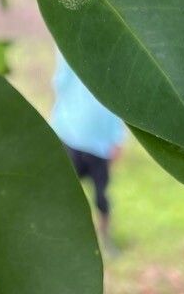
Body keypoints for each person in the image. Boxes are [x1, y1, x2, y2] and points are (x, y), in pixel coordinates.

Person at [50, 51, 127, 246]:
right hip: (70, 137)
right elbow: (59, 83)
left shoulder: (114, 67)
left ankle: (105, 237)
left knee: (101, 196)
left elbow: (120, 103)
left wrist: (117, 139)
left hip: (100, 146)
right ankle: (62, 236)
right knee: (65, 192)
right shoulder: (72, 61)